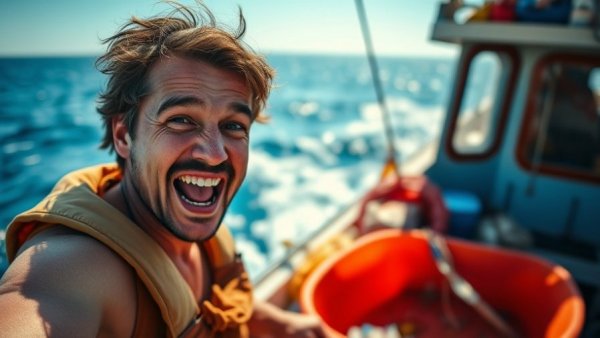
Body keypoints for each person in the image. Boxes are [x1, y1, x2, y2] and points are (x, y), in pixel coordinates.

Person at [0, 2, 326, 337]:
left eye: (233, 125)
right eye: (181, 120)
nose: (215, 155)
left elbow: (208, 308)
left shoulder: (206, 234)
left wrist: (281, 324)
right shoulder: (72, 268)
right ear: (124, 136)